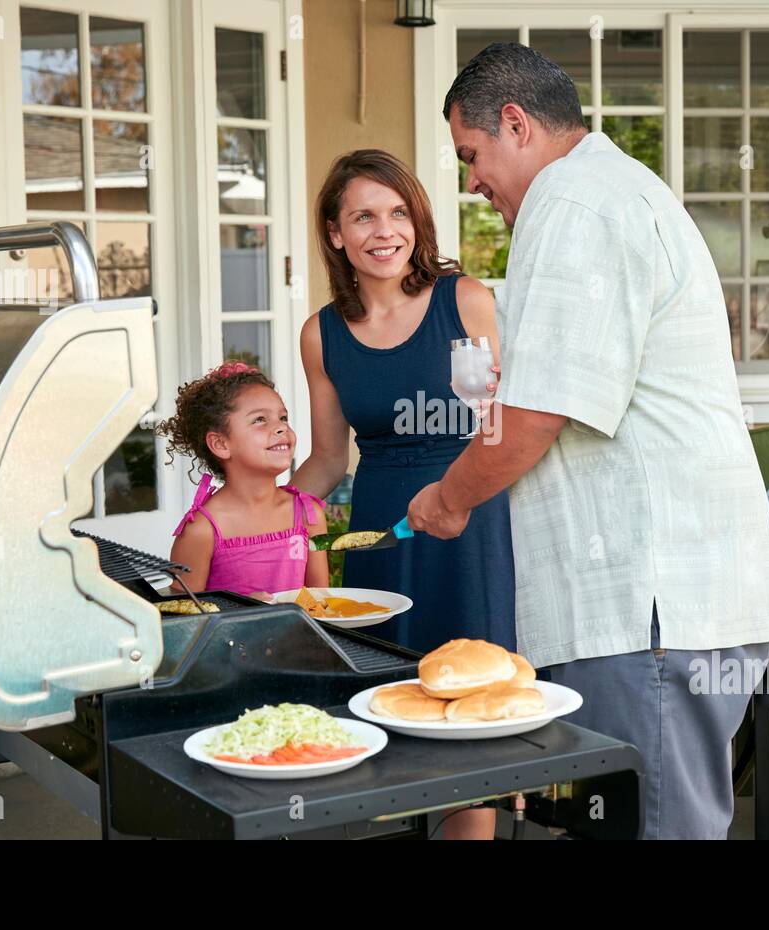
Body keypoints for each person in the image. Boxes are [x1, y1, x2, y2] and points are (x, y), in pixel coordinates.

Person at [408, 43, 769, 840]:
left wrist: (447, 500)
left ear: (515, 124)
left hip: (651, 603)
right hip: (665, 601)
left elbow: (537, 416)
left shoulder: (575, 204)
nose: (472, 180)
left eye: (471, 155)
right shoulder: (606, 193)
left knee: (656, 828)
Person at [290, 149, 514, 840]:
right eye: (363, 216)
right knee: (395, 706)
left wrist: (460, 493)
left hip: (470, 524)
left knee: (470, 713)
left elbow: (501, 429)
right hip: (383, 537)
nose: (383, 231)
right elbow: (328, 461)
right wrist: (257, 516)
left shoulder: (466, 299)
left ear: (416, 223)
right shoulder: (321, 335)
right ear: (335, 233)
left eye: (397, 213)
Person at [159, 361, 329, 598]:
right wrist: (240, 612)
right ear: (221, 444)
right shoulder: (201, 530)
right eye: (260, 420)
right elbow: (183, 618)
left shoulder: (308, 515)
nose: (281, 428)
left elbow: (322, 604)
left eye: (283, 417)